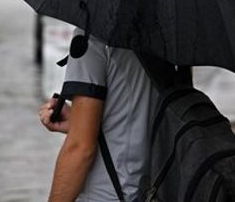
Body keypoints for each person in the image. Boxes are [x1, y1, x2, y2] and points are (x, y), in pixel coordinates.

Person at [39, 29, 158, 201]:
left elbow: (80, 148)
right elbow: (141, 116)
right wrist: (78, 121)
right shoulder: (166, 39)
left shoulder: (91, 38)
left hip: (103, 195)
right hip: (152, 192)